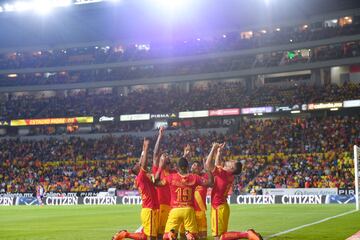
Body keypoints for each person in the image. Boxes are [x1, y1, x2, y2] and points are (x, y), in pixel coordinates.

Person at [154, 143, 217, 240]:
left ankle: (171, 234)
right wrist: (207, 169)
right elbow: (211, 183)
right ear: (188, 167)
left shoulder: (171, 177)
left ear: (177, 168)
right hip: (188, 210)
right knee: (194, 236)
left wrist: (160, 166)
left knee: (165, 236)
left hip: (175, 210)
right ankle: (189, 234)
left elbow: (156, 182)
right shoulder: (194, 178)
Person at [209, 143, 262, 240]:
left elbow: (208, 165)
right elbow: (218, 165)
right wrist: (219, 152)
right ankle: (248, 234)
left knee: (218, 237)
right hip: (223, 206)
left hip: (217, 206)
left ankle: (247, 234)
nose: (230, 161)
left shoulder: (223, 174)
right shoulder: (229, 175)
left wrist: (213, 149)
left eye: (232, 162)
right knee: (222, 235)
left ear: (232, 168)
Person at [112, 138, 159, 240]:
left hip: (149, 209)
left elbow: (141, 161)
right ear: (138, 169)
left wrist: (143, 148)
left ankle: (126, 234)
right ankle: (126, 234)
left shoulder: (141, 177)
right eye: (138, 165)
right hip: (150, 209)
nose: (139, 163)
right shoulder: (141, 176)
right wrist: (146, 149)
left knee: (145, 236)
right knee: (152, 237)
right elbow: (144, 163)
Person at [152, 127, 173, 239]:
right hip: (160, 205)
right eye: (164, 157)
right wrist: (160, 136)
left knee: (168, 234)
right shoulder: (157, 170)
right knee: (159, 234)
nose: (165, 158)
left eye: (167, 157)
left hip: (171, 206)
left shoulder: (172, 172)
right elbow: (155, 153)